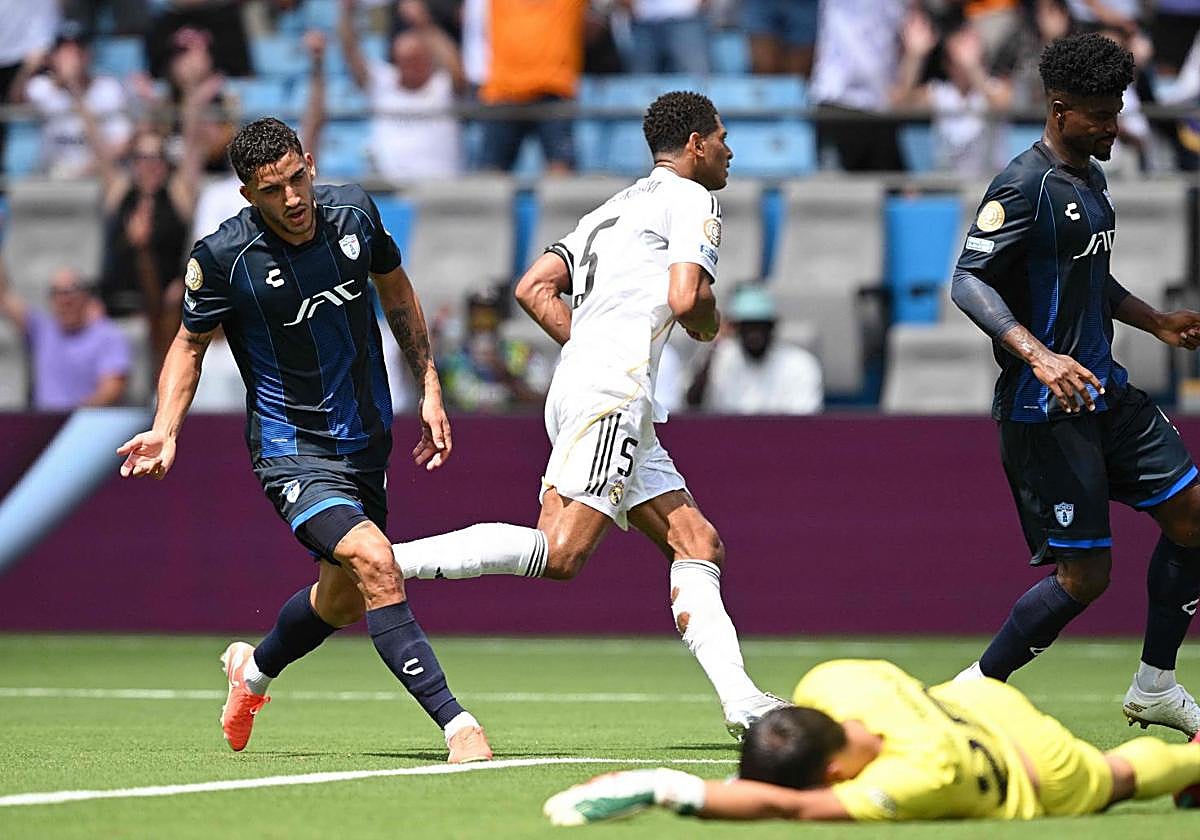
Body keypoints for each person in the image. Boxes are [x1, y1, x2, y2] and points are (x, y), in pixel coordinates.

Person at [390, 91, 784, 739]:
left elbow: (532, 287)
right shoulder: (692, 200)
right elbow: (689, 300)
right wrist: (711, 326)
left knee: (697, 542)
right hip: (615, 389)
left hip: (585, 383)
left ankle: (741, 701)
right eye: (720, 137)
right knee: (564, 551)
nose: (728, 149)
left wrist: (587, 348)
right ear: (693, 144)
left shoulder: (612, 210)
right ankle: (390, 559)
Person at [115, 117, 493, 764]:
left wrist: (428, 381)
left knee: (341, 597)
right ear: (246, 195)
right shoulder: (223, 257)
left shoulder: (355, 214)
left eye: (297, 179)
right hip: (293, 450)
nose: (292, 199)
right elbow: (188, 345)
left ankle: (251, 673)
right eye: (272, 190)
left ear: (310, 163)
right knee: (376, 560)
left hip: (366, 439)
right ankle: (459, 726)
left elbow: (396, 291)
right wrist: (165, 426)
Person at [948, 33, 1200, 737]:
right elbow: (968, 280)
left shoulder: (1091, 175)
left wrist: (1156, 322)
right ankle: (972, 691)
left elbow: (1089, 275)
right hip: (1047, 404)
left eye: (1117, 109)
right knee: (1086, 580)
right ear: (1059, 110)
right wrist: (1038, 356)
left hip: (1106, 393)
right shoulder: (1022, 185)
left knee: (1194, 520)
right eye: (1101, 114)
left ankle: (1155, 685)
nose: (1115, 125)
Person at [543, 658, 1200, 825]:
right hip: (971, 701)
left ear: (832, 771)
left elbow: (791, 808)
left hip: (1033, 768)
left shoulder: (918, 779)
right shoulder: (834, 682)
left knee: (1116, 780)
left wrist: (670, 790)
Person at [339, 0, 465, 182]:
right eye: (405, 61)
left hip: (440, 188)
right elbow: (350, 52)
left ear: (428, 60)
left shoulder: (443, 86)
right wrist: (347, 13)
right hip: (389, 189)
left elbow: (457, 70)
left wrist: (423, 23)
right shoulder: (382, 82)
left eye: (417, 60)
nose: (411, 67)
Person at [0, 263, 130, 410]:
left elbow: (112, 390)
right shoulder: (42, 331)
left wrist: (72, 417)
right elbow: (4, 295)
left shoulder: (108, 336)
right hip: (42, 424)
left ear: (86, 296)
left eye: (71, 292)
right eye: (57, 293)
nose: (65, 300)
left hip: (88, 421)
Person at [686, 284, 823, 415]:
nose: (754, 334)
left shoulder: (801, 365)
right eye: (747, 326)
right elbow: (692, 404)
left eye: (761, 326)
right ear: (735, 329)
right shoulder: (720, 359)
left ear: (772, 327)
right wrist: (715, 343)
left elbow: (804, 426)